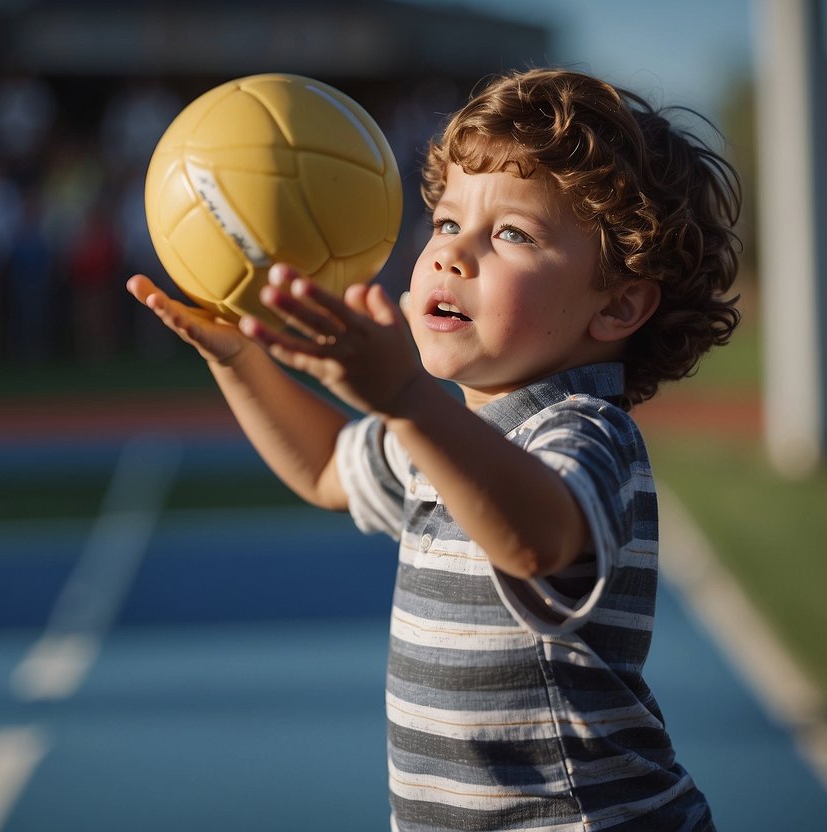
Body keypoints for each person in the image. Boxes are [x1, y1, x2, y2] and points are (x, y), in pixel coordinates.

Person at [126, 67, 740, 831]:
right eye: (446, 224)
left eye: (511, 234)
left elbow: (535, 539)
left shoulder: (584, 430)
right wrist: (238, 360)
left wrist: (407, 399)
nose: (452, 255)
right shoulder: (443, 438)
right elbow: (324, 470)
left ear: (617, 303)